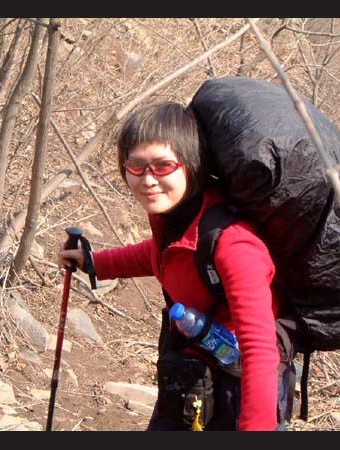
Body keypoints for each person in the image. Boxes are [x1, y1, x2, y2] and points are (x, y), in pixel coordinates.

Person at [57, 101, 283, 431]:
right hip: (190, 375)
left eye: (163, 166)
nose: (148, 179)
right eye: (136, 166)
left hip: (239, 393)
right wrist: (93, 262)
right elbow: (163, 255)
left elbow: (260, 351)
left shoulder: (234, 244)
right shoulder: (175, 221)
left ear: (190, 165)